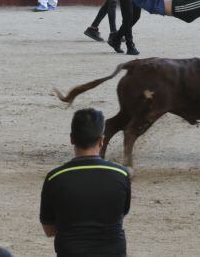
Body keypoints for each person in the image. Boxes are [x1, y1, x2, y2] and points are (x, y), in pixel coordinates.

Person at [40, 108, 131, 257]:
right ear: (102, 141)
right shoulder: (121, 175)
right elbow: (121, 214)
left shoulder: (55, 178)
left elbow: (49, 230)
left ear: (72, 139)